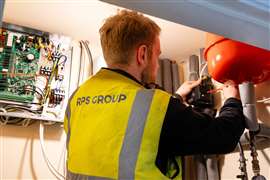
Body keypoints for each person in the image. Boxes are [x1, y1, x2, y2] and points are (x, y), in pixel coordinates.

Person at [64, 10, 245, 179]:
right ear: (142, 54)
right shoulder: (154, 105)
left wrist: (177, 98)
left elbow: (128, 131)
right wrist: (231, 98)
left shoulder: (77, 98)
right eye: (157, 56)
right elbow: (224, 136)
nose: (157, 65)